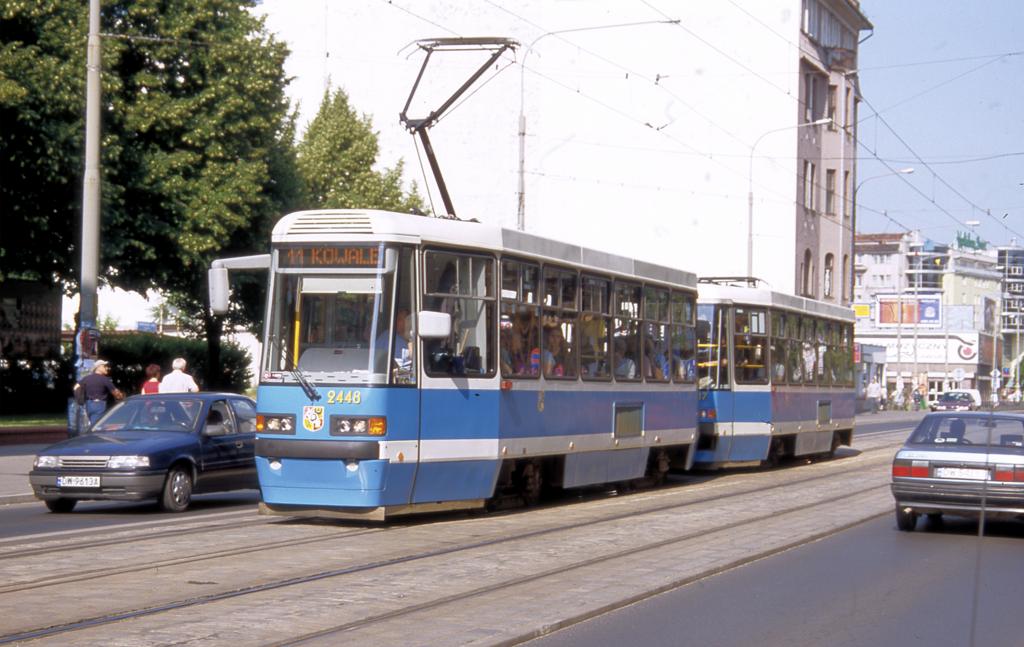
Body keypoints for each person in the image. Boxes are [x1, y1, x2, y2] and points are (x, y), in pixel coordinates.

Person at [74, 360, 125, 427]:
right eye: (105, 366)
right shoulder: (104, 379)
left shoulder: (87, 378)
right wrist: (123, 398)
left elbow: (76, 387)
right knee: (97, 427)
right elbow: (116, 393)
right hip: (99, 405)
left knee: (93, 423)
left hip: (89, 405)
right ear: (99, 367)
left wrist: (81, 399)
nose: (107, 368)